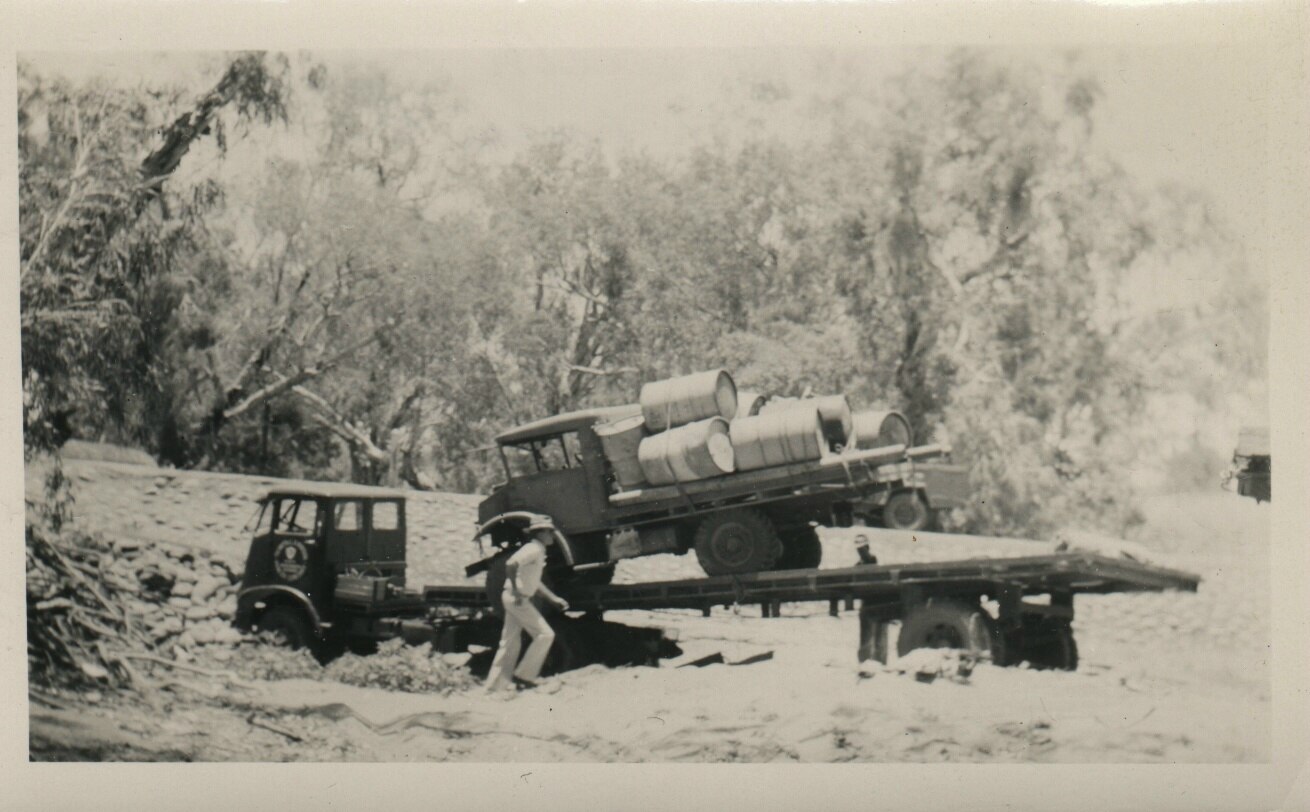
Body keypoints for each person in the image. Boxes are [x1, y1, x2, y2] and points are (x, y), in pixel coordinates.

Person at [485, 517, 570, 693]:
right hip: (517, 599)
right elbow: (510, 564)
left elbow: (534, 581)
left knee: (509, 642)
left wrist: (553, 599)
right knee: (545, 634)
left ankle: (495, 686)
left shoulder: (538, 549)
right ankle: (525, 676)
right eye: (549, 531)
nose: (553, 535)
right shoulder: (533, 549)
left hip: (513, 597)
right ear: (540, 533)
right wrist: (516, 589)